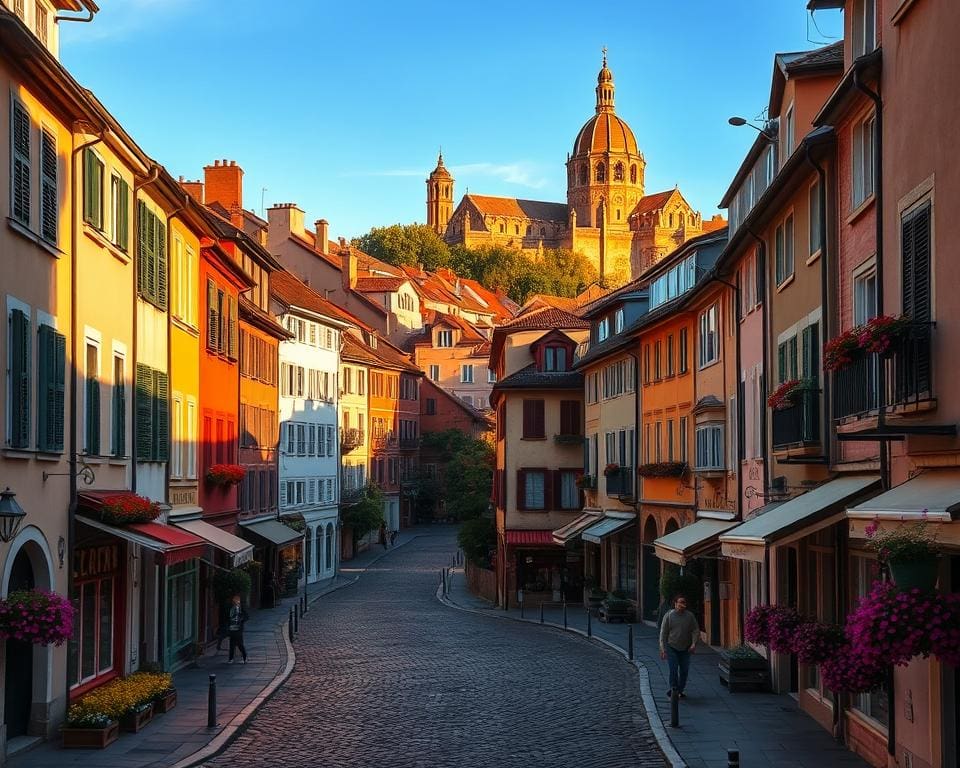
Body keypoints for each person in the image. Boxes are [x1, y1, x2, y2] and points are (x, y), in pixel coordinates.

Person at [659, 594, 699, 699]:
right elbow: (663, 633)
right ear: (675, 604)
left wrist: (694, 643)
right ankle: (673, 689)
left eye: (684, 602)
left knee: (684, 670)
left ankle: (680, 690)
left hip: (686, 648)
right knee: (673, 669)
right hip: (672, 646)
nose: (682, 604)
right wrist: (663, 648)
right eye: (680, 602)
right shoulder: (669, 616)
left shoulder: (689, 616)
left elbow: (695, 630)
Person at [226, 593, 248, 664]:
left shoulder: (241, 608)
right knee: (232, 644)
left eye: (237, 600)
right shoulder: (230, 608)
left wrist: (241, 620)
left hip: (238, 629)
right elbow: (228, 617)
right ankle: (231, 658)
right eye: (234, 600)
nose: (235, 601)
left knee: (240, 644)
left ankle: (245, 657)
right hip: (232, 628)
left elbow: (246, 616)